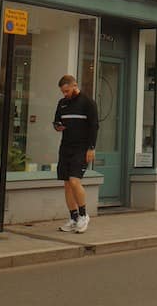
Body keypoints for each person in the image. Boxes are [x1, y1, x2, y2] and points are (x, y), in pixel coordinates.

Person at [53, 74, 98, 233]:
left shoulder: (88, 103)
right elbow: (57, 121)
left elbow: (94, 126)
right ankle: (73, 218)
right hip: (66, 147)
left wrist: (91, 148)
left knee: (74, 181)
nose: (65, 94)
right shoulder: (62, 103)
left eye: (67, 91)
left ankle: (84, 216)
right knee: (67, 184)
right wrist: (57, 126)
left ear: (74, 85)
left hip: (82, 148)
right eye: (63, 92)